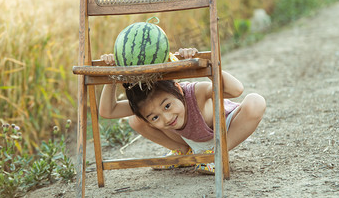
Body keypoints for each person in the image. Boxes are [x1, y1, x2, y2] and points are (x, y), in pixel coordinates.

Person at [99, 48, 266, 174]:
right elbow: (108, 111)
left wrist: (206, 65)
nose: (166, 118)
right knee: (136, 119)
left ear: (178, 89)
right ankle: (183, 153)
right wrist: (112, 75)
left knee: (255, 102)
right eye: (155, 117)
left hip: (224, 131)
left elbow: (236, 90)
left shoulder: (196, 92)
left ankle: (217, 155)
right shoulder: (145, 106)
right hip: (191, 141)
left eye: (167, 106)